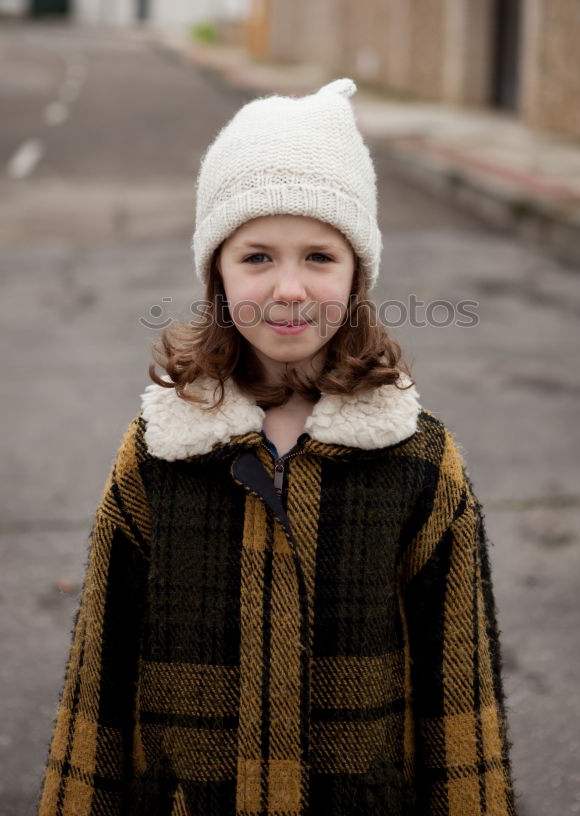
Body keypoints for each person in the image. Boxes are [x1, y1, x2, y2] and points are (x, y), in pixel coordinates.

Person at [38, 78, 518, 815]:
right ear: (216, 274)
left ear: (358, 272)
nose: (289, 287)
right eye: (257, 256)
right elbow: (98, 676)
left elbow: (461, 696)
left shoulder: (417, 460)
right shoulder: (158, 453)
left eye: (319, 257)